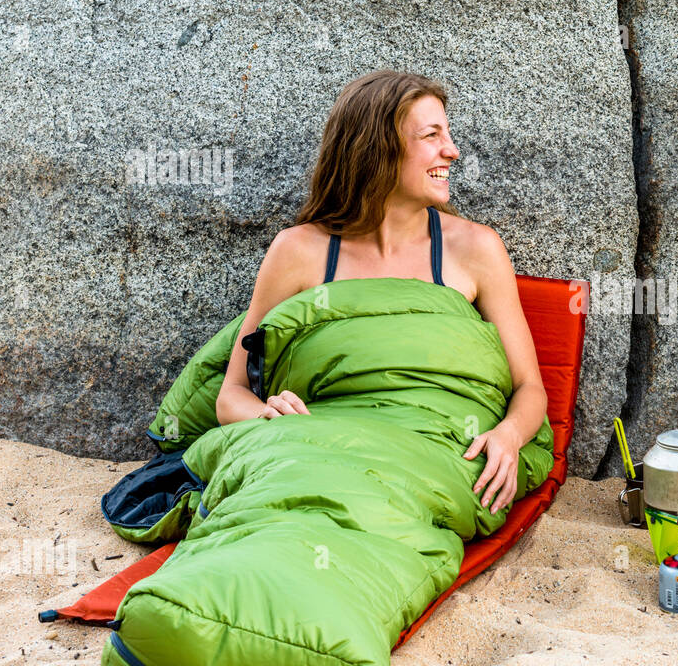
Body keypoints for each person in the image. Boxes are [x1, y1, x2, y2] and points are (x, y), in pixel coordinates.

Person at [216, 70, 548, 514]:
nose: (452, 151)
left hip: (431, 452)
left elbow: (530, 387)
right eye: (431, 135)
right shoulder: (298, 251)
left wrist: (508, 434)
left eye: (446, 134)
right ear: (377, 149)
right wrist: (268, 416)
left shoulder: (474, 249)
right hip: (320, 445)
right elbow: (231, 396)